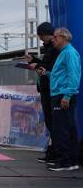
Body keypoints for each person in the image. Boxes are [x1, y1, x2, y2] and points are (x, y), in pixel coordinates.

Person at [39, 28, 81, 171]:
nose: (53, 40)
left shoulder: (69, 53)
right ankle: (71, 160)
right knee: (68, 128)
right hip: (59, 93)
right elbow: (60, 76)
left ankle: (65, 161)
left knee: (61, 129)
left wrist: (68, 96)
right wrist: (47, 73)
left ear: (63, 37)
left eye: (55, 37)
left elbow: (74, 76)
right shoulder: (64, 53)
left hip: (63, 95)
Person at [24, 22, 60, 164]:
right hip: (46, 87)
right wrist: (35, 61)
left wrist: (37, 65)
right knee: (51, 122)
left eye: (41, 36)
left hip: (50, 88)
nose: (40, 39)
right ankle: (54, 150)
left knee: (54, 122)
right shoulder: (49, 49)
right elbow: (46, 66)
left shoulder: (56, 50)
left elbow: (50, 68)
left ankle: (57, 152)